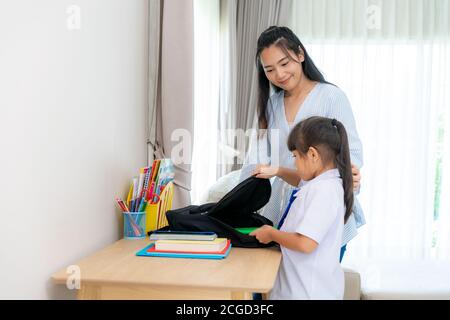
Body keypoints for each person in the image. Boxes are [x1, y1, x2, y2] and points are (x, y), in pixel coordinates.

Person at [239, 26, 364, 262]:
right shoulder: (271, 106)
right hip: (282, 211)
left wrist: (350, 173)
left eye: (284, 63)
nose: (279, 74)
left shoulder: (331, 97)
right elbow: (255, 158)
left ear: (300, 54)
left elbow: (351, 154)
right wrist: (236, 201)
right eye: (270, 69)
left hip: (322, 209)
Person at [250, 116, 353, 299]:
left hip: (307, 293)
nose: (295, 162)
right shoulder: (322, 183)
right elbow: (301, 179)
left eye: (295, 156)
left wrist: (271, 233)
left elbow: (306, 243)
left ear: (313, 155)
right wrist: (278, 171)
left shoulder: (324, 191)